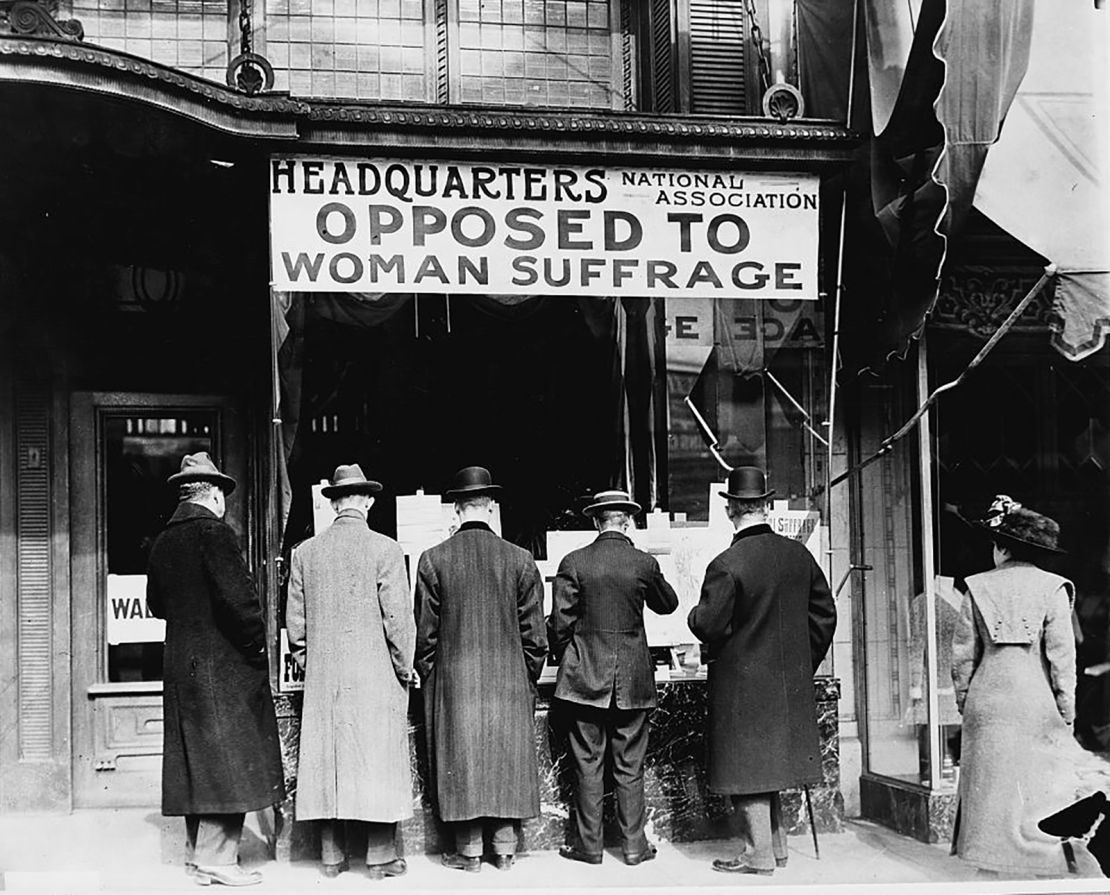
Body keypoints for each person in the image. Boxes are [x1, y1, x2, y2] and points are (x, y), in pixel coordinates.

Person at [687, 466, 836, 876]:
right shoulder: (798, 556)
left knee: (747, 767)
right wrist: (802, 664)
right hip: (787, 686)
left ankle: (758, 855)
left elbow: (709, 624)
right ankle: (779, 849)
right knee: (772, 764)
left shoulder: (727, 564)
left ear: (730, 509)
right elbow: (824, 616)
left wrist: (692, 616)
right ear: (766, 506)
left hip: (741, 686)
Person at [146, 452, 285, 887]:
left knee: (196, 763)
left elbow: (155, 605)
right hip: (222, 669)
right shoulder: (215, 534)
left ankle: (197, 856)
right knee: (229, 762)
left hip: (181, 666)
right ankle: (218, 861)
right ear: (214, 496)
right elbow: (242, 607)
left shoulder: (163, 540)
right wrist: (254, 650)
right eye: (223, 495)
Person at [414, 466, 547, 873]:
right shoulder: (520, 560)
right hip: (507, 682)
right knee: (504, 759)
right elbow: (536, 639)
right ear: (491, 507)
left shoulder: (433, 559)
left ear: (456, 509)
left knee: (464, 760)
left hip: (455, 684)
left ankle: (468, 850)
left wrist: (434, 679)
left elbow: (425, 638)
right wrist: (524, 675)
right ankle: (504, 849)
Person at [286, 464, 415, 881]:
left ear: (334, 504)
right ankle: (379, 859)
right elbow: (398, 621)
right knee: (376, 762)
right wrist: (404, 668)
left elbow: (296, 626)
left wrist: (313, 664)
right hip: (376, 677)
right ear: (368, 502)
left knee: (329, 765)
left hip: (325, 679)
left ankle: (331, 857)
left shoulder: (305, 552)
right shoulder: (386, 550)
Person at [548, 489, 679, 866]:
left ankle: (589, 848)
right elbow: (667, 604)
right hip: (634, 682)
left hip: (584, 680)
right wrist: (647, 567)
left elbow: (560, 625)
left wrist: (568, 655)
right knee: (629, 765)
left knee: (587, 764)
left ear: (595, 521)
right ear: (628, 521)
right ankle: (635, 847)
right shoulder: (642, 563)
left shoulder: (574, 562)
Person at [951, 495, 1079, 876]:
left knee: (990, 788)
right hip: (1035, 702)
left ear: (1002, 548)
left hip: (986, 701)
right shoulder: (1054, 589)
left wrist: (964, 701)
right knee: (1036, 787)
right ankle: (1036, 862)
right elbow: (1062, 660)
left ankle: (989, 863)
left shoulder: (975, 587)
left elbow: (962, 657)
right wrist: (1066, 712)